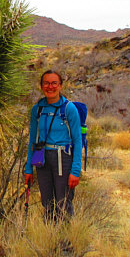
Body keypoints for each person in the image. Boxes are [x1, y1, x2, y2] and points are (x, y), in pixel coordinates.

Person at [23, 70, 83, 221]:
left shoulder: (69, 109)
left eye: (54, 83)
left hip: (63, 157)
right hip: (41, 156)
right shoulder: (38, 109)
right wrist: (29, 168)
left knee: (64, 201)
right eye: (46, 83)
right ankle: (49, 235)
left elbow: (77, 140)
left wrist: (75, 171)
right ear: (41, 86)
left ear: (61, 85)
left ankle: (66, 239)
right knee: (47, 201)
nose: (50, 87)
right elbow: (33, 140)